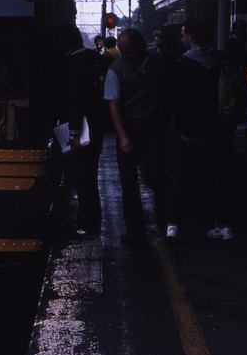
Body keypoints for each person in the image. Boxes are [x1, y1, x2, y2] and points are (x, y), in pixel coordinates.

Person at [166, 18, 236, 242]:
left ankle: (174, 225)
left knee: (182, 179)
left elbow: (175, 101)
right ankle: (224, 226)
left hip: (190, 134)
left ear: (192, 36)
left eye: (184, 34)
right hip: (217, 131)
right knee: (220, 179)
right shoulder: (221, 59)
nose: (182, 38)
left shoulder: (183, 65)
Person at [104, 28, 170, 244]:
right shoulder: (116, 71)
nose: (125, 56)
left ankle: (165, 222)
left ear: (141, 47)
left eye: (129, 52)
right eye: (122, 52)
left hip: (153, 128)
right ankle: (135, 231)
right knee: (128, 182)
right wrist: (123, 136)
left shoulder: (158, 62)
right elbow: (113, 104)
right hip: (129, 128)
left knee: (156, 176)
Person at [55, 25, 107, 238]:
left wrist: (74, 134)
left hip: (80, 128)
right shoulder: (96, 58)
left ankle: (87, 223)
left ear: (62, 44)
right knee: (90, 175)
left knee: (81, 177)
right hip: (97, 124)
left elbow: (74, 101)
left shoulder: (72, 64)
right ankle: (90, 221)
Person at [225, 19, 247, 124]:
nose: (244, 32)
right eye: (242, 29)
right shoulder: (232, 43)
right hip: (236, 80)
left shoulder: (239, 43)